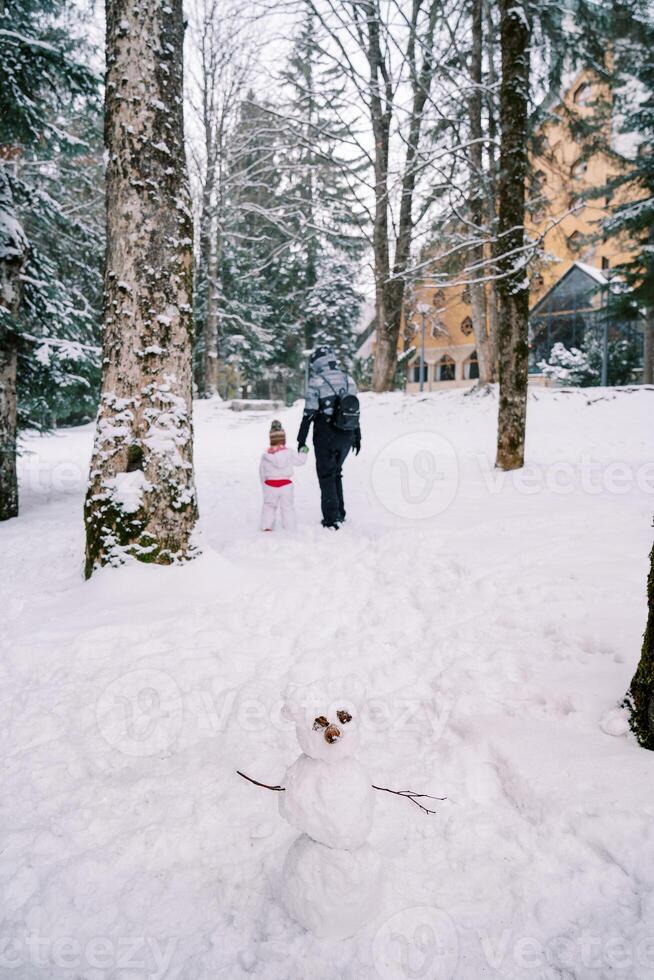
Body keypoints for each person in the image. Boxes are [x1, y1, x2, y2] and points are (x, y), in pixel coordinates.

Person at [297, 346, 361, 529]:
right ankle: (340, 513)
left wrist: (301, 439)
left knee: (326, 476)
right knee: (336, 473)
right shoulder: (349, 380)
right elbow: (354, 411)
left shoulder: (317, 381)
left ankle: (331, 519)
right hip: (347, 434)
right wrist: (358, 437)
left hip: (325, 434)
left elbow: (308, 413)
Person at [260, 420, 308, 532]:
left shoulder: (266, 456)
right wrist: (304, 451)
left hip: (270, 485)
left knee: (269, 506)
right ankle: (290, 527)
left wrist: (264, 485)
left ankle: (266, 526)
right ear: (283, 439)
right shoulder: (289, 452)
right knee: (287, 507)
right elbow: (300, 461)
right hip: (286, 485)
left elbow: (261, 472)